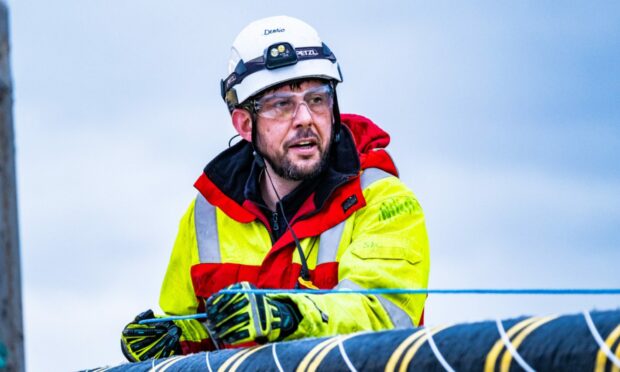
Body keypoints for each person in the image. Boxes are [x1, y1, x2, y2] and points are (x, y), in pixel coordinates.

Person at [120, 15, 430, 362]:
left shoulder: (384, 201)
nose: (305, 119)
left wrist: (289, 314)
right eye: (281, 104)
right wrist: (173, 339)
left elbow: (381, 317)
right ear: (244, 124)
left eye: (317, 99)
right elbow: (199, 328)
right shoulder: (207, 213)